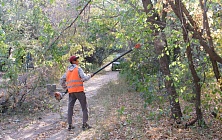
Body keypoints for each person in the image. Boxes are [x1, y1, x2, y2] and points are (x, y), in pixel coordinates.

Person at [60, 55, 92, 131]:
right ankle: (85, 124)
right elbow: (84, 78)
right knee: (84, 108)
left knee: (70, 108)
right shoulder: (78, 69)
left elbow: (61, 80)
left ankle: (70, 125)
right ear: (73, 61)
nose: (78, 61)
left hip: (71, 92)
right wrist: (90, 75)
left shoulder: (67, 71)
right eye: (76, 60)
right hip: (79, 91)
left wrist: (66, 88)